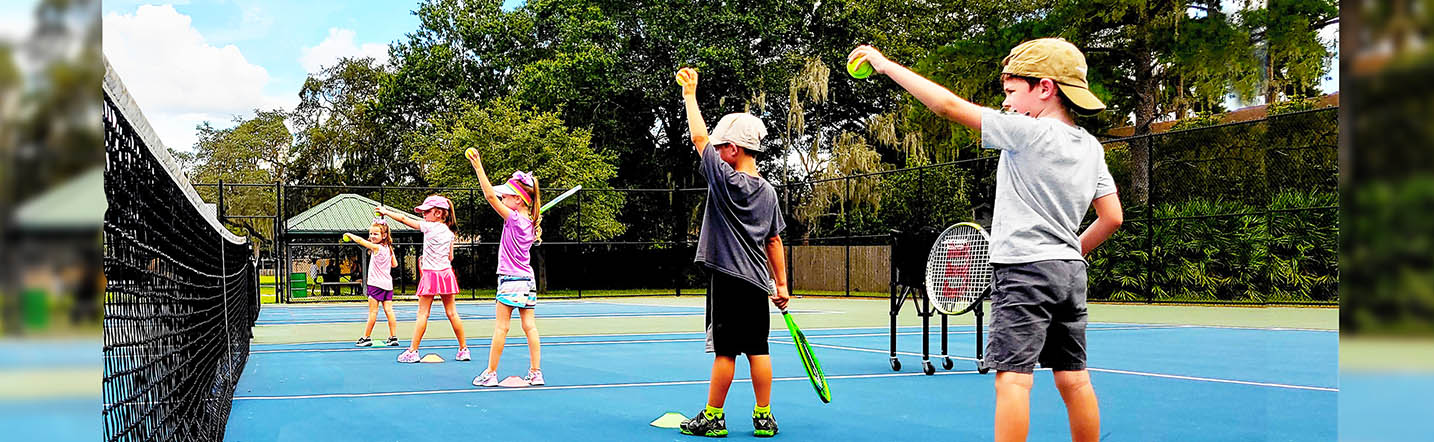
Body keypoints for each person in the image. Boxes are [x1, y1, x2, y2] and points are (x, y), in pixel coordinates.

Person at [847, 38, 1123, 442]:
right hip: (1069, 273)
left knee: (1013, 379)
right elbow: (1112, 217)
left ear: (1045, 88)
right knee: (1074, 378)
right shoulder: (1091, 147)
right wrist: (1067, 252)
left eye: (1011, 91)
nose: (1006, 102)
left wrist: (885, 64)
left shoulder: (1028, 133)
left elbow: (947, 106)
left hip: (1024, 271)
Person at [674, 67, 789, 438]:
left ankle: (713, 417)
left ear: (733, 149)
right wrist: (781, 285)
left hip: (727, 280)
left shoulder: (724, 179)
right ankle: (764, 417)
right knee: (759, 350)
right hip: (758, 283)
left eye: (722, 146)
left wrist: (690, 94)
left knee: (725, 352)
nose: (717, 150)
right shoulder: (768, 191)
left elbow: (698, 137)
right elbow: (774, 241)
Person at [465, 148, 547, 387]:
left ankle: (490, 373)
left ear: (518, 199)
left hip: (511, 279)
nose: (502, 198)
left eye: (506, 196)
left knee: (501, 327)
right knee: (530, 326)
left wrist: (478, 166)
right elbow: (496, 197)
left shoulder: (514, 218)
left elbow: (490, 197)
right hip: (527, 280)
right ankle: (536, 372)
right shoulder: (530, 223)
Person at [378, 196, 472, 363]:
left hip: (431, 274)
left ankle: (413, 351)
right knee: (452, 313)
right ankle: (463, 349)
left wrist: (386, 212)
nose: (423, 214)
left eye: (426, 211)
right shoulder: (449, 233)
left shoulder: (429, 227)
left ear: (438, 213)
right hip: (446, 274)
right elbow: (450, 257)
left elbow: (403, 219)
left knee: (422, 314)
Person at [342, 219, 400, 347]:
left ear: (384, 235)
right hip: (387, 285)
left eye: (375, 234)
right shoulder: (388, 248)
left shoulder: (377, 247)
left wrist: (350, 235)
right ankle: (393, 337)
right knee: (389, 311)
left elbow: (361, 241)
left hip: (375, 284)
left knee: (373, 312)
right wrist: (389, 253)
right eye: (371, 234)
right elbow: (394, 264)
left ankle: (366, 337)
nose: (372, 236)